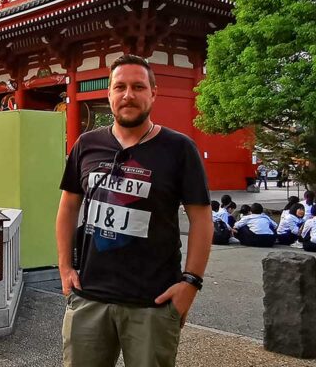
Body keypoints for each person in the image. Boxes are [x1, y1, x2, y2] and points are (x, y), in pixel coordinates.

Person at [56, 54, 212, 367]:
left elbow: (201, 218)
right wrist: (64, 267)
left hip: (152, 301)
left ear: (153, 93)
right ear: (109, 94)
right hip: (90, 295)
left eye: (138, 87)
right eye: (120, 87)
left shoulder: (179, 148)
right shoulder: (87, 145)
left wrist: (190, 283)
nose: (129, 95)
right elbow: (68, 206)